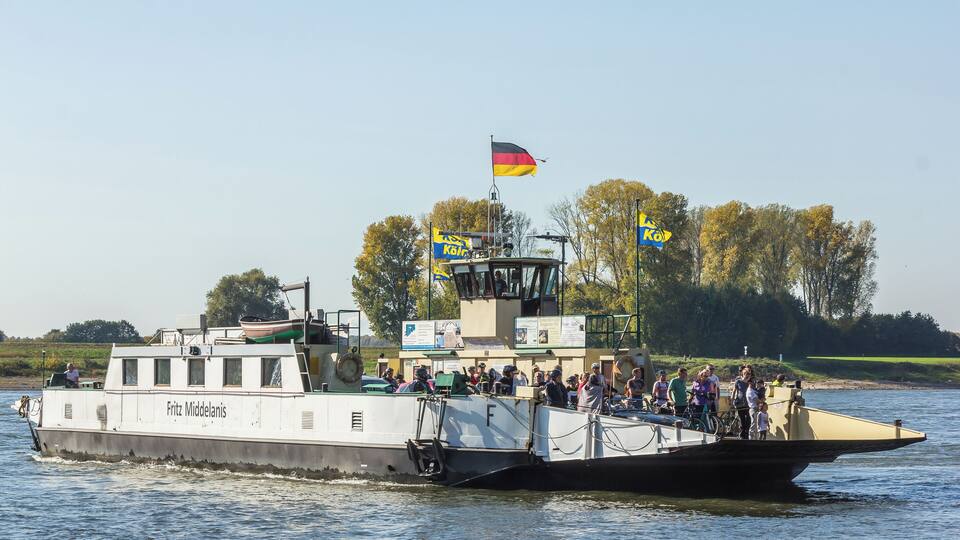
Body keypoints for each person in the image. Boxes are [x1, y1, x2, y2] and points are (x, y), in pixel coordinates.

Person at [732, 366, 752, 440]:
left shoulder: (750, 383)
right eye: (746, 374)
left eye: (749, 374)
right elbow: (734, 391)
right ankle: (742, 435)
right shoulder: (738, 382)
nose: (747, 376)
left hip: (748, 404)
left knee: (748, 420)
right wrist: (732, 401)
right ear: (743, 374)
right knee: (742, 420)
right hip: (739, 403)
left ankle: (746, 434)